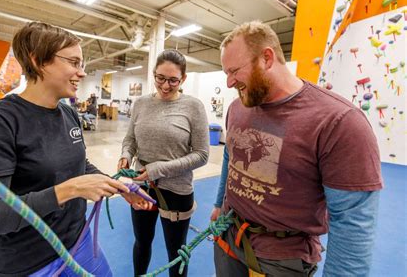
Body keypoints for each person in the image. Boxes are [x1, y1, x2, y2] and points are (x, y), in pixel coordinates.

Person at [0, 21, 150, 277]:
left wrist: (116, 186)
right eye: (73, 62)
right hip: (28, 264)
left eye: (82, 64)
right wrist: (69, 190)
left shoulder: (69, 115)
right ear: (38, 62)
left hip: (79, 244)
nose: (81, 73)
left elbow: (78, 164)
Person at [213, 21, 383, 277]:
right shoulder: (237, 108)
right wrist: (218, 204)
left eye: (234, 71)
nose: (229, 83)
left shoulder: (339, 123)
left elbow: (352, 225)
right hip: (228, 237)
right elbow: (230, 156)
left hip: (280, 261)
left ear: (267, 58)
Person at [118, 49, 210, 277]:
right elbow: (130, 140)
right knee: (141, 242)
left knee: (177, 252)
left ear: (184, 79)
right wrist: (125, 156)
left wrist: (157, 169)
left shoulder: (193, 107)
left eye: (173, 80)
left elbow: (201, 154)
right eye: (160, 78)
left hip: (176, 190)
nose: (165, 86)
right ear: (154, 74)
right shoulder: (140, 104)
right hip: (142, 186)